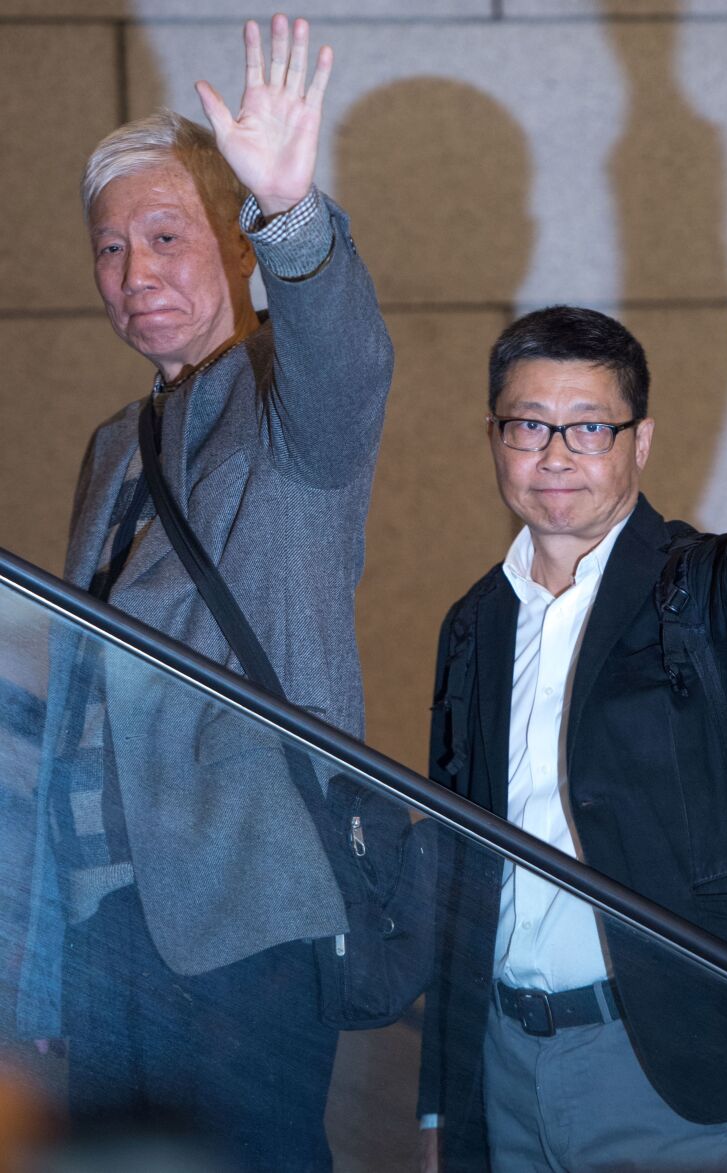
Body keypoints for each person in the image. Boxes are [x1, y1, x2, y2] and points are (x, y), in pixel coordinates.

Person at [17, 15, 393, 1171]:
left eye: (167, 235)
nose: (136, 274)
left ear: (233, 248)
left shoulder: (289, 404)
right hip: (104, 920)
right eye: (112, 250)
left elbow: (349, 357)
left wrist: (289, 207)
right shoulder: (113, 443)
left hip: (242, 902)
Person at [419, 248, 727, 1172]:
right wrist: (441, 1107)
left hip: (663, 1060)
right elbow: (461, 873)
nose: (556, 454)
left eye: (589, 428)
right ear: (495, 438)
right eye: (529, 425)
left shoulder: (700, 590)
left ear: (639, 443)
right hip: (503, 1060)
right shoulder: (474, 624)